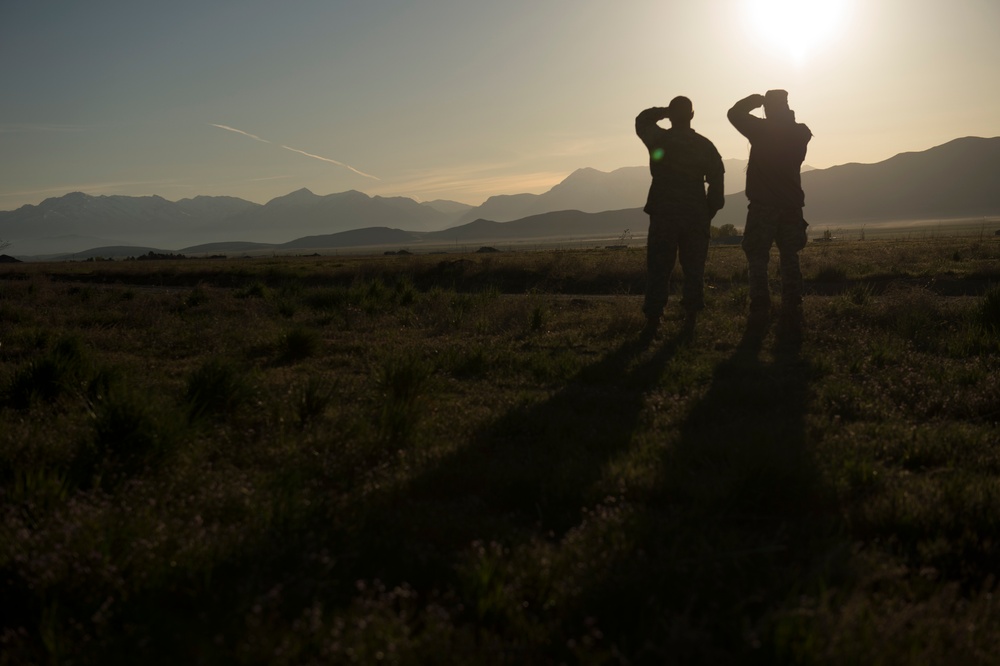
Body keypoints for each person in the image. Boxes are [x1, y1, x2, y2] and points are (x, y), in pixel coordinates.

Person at [635, 96, 725, 339]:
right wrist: (706, 212)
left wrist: (665, 111)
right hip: (695, 213)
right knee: (694, 268)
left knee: (659, 267)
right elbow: (717, 185)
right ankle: (691, 320)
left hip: (664, 212)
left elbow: (642, 119)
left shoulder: (659, 139)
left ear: (672, 116)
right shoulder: (705, 146)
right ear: (693, 115)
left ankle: (653, 321)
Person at [727, 90, 812, 334]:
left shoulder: (761, 131)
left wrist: (753, 101)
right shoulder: (801, 132)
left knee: (757, 257)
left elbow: (734, 114)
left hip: (763, 206)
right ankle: (793, 304)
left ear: (769, 108)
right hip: (791, 206)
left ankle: (760, 306)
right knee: (789, 256)